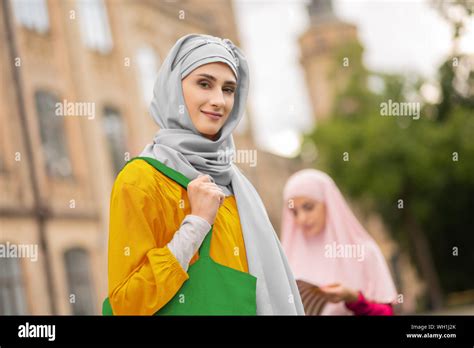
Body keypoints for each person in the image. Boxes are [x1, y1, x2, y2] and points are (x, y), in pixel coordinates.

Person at [105, 34, 304, 315]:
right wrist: (195, 226)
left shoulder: (237, 186)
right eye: (204, 84)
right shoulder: (141, 179)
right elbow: (125, 306)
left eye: (229, 89)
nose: (219, 101)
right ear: (174, 87)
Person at [281, 169, 398, 315]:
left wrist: (354, 299)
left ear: (328, 203)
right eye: (294, 212)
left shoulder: (365, 251)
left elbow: (386, 312)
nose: (302, 218)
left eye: (308, 207)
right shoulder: (287, 257)